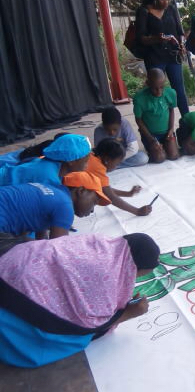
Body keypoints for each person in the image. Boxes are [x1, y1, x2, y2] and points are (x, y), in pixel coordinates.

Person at [0, 233, 159, 368]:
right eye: (137, 275)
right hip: (13, 295)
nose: (133, 281)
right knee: (75, 338)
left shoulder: (101, 242)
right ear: (133, 268)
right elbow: (89, 324)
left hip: (12, 258)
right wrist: (128, 313)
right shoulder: (107, 275)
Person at [0, 172, 109, 241]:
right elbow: (58, 250)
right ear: (81, 191)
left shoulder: (51, 190)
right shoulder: (65, 205)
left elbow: (41, 237)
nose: (92, 210)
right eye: (94, 202)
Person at [136, 0, 189, 115]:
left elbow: (180, 32)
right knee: (156, 91)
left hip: (173, 56)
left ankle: (187, 120)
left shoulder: (171, 9)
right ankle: (159, 122)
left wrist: (182, 43)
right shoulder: (143, 11)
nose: (166, 2)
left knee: (179, 91)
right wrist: (155, 39)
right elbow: (141, 38)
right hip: (154, 58)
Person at [87, 139, 153, 216]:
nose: (116, 166)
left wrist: (128, 194)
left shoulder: (93, 156)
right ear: (107, 160)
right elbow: (110, 195)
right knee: (93, 196)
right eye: (117, 163)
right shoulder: (97, 167)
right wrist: (137, 211)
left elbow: (104, 188)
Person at [0, 134, 90, 187]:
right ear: (71, 161)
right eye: (85, 161)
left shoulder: (49, 165)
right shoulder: (49, 178)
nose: (87, 164)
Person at [133, 68, 180, 164]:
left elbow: (171, 110)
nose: (159, 91)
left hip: (167, 132)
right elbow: (138, 120)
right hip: (150, 135)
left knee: (174, 156)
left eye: (162, 87)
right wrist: (151, 139)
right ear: (148, 83)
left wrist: (171, 129)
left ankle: (164, 147)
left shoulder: (171, 93)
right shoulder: (139, 98)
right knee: (159, 158)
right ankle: (156, 149)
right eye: (155, 88)